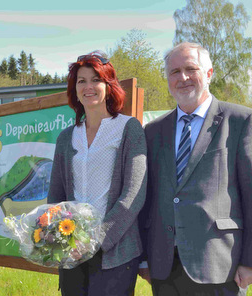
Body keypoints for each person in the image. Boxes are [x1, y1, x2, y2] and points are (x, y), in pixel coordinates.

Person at [139, 42, 252, 295]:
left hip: (220, 263)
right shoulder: (153, 131)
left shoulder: (241, 121)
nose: (183, 78)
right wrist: (145, 257)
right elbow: (149, 198)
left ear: (209, 74)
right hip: (165, 265)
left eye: (191, 69)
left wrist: (249, 260)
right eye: (175, 72)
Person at [47, 52, 147, 295]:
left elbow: (134, 194)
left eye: (96, 80)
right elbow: (56, 194)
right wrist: (58, 235)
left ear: (108, 85)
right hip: (72, 251)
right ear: (75, 89)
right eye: (81, 81)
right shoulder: (66, 137)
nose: (88, 87)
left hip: (115, 252)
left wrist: (96, 239)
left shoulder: (128, 128)